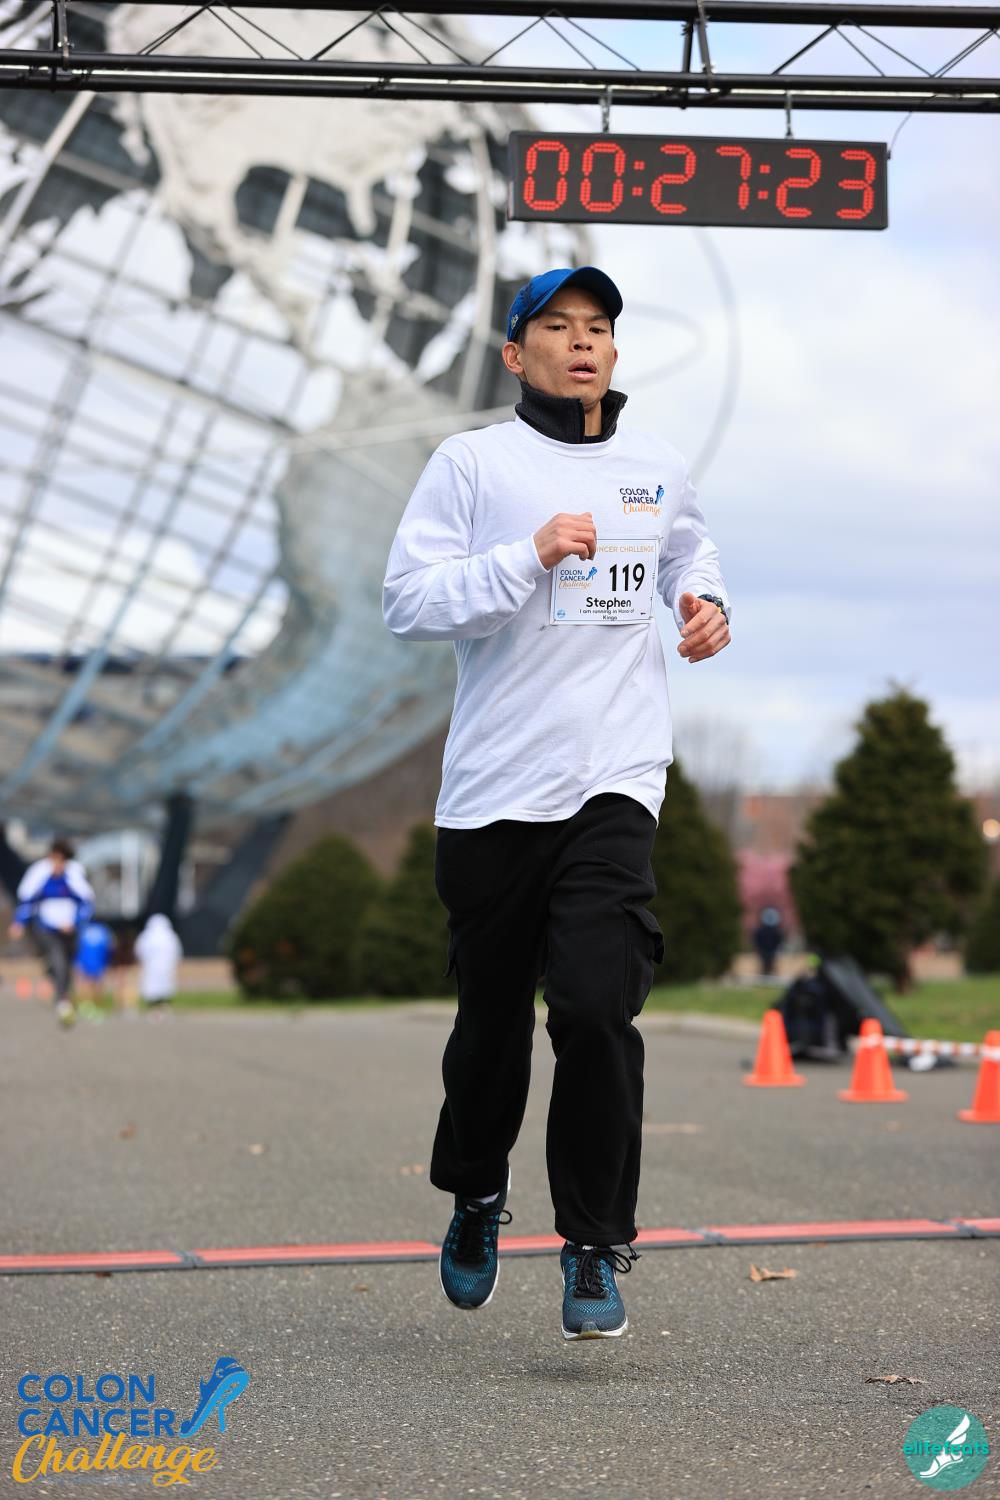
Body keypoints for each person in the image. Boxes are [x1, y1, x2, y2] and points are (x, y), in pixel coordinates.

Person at [383, 266, 732, 1340]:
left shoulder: (655, 466)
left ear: (613, 352)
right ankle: (476, 1193)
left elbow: (688, 550)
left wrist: (703, 602)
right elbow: (409, 601)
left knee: (594, 1007)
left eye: (598, 328)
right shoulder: (472, 464)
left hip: (613, 778)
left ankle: (592, 1241)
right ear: (514, 352)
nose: (582, 343)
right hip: (494, 791)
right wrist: (525, 555)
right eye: (557, 326)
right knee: (491, 1027)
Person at [9, 838, 95, 1028]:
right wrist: (19, 923)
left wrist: (75, 922)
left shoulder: (74, 875)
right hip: (46, 928)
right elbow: (27, 901)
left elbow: (87, 903)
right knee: (58, 959)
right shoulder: (39, 873)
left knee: (67, 963)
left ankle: (64, 993)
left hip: (69, 931)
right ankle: (62, 1002)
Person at [134, 912, 182, 1016]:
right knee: (163, 986)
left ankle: (154, 1007)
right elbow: (177, 952)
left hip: (152, 967)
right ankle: (163, 1006)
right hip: (165, 967)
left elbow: (139, 951)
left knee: (153, 986)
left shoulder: (147, 936)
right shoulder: (170, 936)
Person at [76, 918, 116, 1012]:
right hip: (99, 960)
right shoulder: (104, 930)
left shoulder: (84, 929)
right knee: (98, 984)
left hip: (85, 960)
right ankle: (96, 1005)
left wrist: (77, 960)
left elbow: (78, 945)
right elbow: (111, 946)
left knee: (85, 983)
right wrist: (109, 960)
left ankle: (85, 1005)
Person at [752, 905, 785, 977]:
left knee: (770, 963)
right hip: (764, 951)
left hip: (771, 951)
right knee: (765, 963)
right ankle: (765, 972)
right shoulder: (761, 931)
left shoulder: (776, 931)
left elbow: (779, 940)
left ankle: (769, 972)